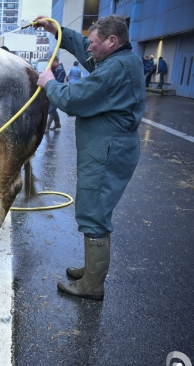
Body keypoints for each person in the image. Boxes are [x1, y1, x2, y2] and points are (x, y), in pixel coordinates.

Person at [35, 14, 145, 300]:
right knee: (94, 209)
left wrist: (49, 82)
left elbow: (73, 99)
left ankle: (92, 285)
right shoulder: (118, 58)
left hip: (107, 151)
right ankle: (91, 271)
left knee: (93, 211)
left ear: (112, 41)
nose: (89, 48)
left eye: (95, 43)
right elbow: (83, 43)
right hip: (108, 148)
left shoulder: (114, 69)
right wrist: (56, 29)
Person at [46, 56, 66, 130]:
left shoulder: (60, 70)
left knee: (52, 109)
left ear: (56, 61)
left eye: (50, 61)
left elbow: (58, 82)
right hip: (53, 91)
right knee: (52, 109)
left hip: (56, 92)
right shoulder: (54, 69)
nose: (49, 63)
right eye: (49, 62)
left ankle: (47, 128)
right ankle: (57, 124)